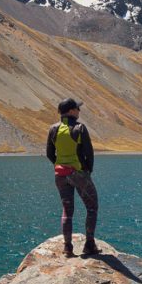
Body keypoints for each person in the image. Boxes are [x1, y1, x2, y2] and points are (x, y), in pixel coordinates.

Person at [46, 98, 100, 258]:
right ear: (70, 111)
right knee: (92, 207)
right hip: (78, 173)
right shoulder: (79, 128)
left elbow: (50, 153)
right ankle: (89, 245)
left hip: (60, 175)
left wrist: (61, 165)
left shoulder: (53, 129)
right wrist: (87, 171)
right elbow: (88, 153)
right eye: (77, 108)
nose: (79, 111)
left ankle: (68, 248)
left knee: (67, 210)